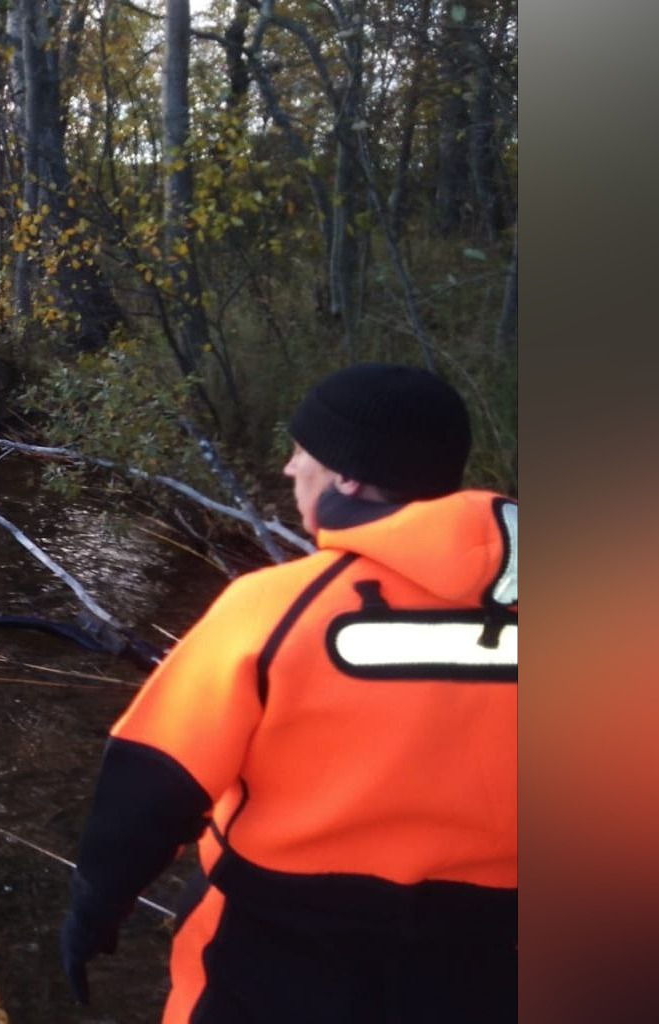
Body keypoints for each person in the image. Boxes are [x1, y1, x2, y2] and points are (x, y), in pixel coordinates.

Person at [60, 363, 517, 1023]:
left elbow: (153, 782)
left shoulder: (274, 609)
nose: (287, 469)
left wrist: (96, 908)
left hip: (271, 956)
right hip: (494, 966)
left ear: (349, 477)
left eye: (303, 451)